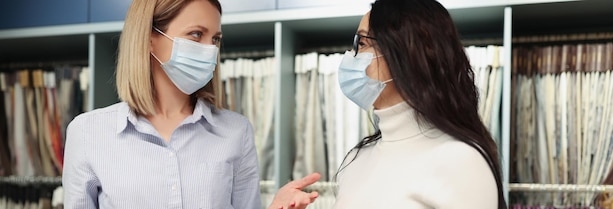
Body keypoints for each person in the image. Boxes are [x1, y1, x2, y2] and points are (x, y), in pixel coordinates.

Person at [62, 0, 318, 208]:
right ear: (150, 38)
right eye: (196, 35)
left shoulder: (236, 132)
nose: (209, 50)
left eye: (215, 39)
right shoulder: (87, 133)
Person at [288, 0, 508, 208]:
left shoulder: (462, 162)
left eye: (362, 43)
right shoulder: (358, 157)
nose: (351, 55)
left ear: (405, 51)